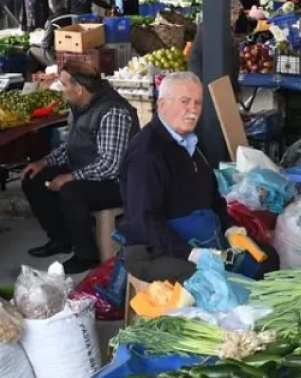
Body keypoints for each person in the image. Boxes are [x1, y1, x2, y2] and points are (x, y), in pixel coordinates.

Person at [118, 72, 277, 283]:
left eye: (198, 103)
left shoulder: (191, 144)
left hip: (202, 239)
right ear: (162, 105)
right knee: (208, 280)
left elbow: (214, 200)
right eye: (185, 102)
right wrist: (191, 254)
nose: (192, 109)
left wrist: (229, 227)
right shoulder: (147, 153)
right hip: (154, 250)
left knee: (267, 258)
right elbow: (144, 220)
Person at [22, 62, 140, 274]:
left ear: (79, 89)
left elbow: (110, 164)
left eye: (64, 84)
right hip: (86, 170)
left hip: (116, 183)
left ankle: (87, 256)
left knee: (70, 191)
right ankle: (61, 239)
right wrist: (44, 162)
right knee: (34, 178)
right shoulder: (80, 106)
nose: (61, 87)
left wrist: (70, 177)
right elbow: (70, 147)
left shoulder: (113, 111)